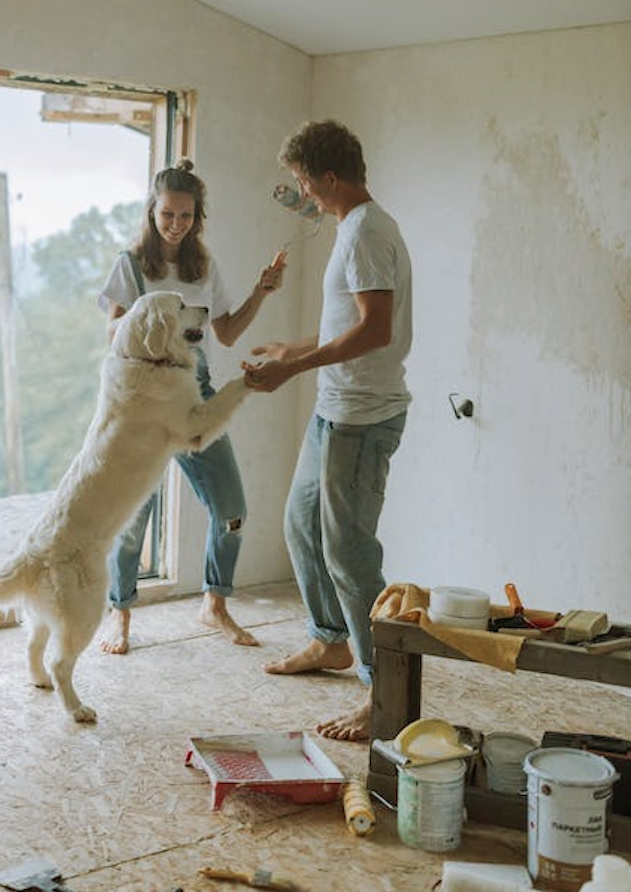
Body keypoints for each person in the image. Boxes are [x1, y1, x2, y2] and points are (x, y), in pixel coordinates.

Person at [242, 120, 412, 741]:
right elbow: (351, 324)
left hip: (362, 418)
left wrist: (292, 369)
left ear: (329, 178)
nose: (303, 193)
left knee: (351, 554)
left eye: (303, 183)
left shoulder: (367, 231)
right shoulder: (354, 229)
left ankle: (382, 689)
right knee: (299, 521)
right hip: (334, 408)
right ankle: (330, 640)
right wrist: (298, 347)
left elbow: (376, 331)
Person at [98, 159, 284, 655]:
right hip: (144, 399)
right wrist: (153, 320)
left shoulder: (205, 266)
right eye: (167, 215)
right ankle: (119, 613)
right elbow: (112, 333)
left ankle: (214, 604)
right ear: (152, 212)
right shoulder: (131, 264)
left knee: (232, 511)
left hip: (195, 393)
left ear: (197, 217)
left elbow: (225, 332)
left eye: (186, 216)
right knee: (133, 516)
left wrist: (260, 294)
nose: (176, 224)